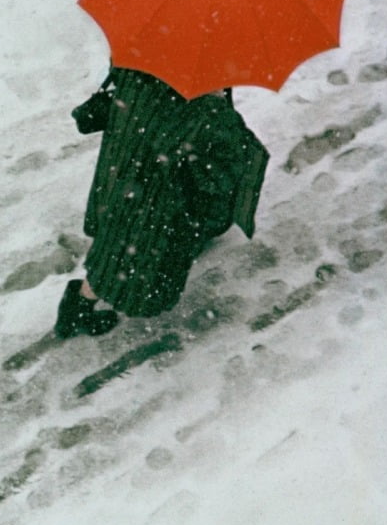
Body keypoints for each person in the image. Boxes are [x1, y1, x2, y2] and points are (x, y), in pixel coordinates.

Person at [56, 66, 269, 338]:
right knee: (133, 251)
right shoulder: (202, 109)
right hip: (159, 192)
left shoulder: (144, 63)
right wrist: (216, 106)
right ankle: (78, 306)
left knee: (120, 236)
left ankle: (81, 300)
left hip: (130, 163)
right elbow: (223, 164)